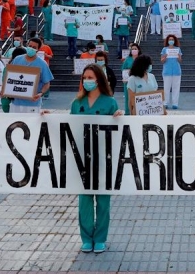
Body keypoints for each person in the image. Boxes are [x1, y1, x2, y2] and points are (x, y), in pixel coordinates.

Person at [70, 64, 123, 254]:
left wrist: (118, 117)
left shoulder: (110, 103)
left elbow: (118, 132)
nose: (87, 81)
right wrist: (46, 118)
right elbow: (68, 127)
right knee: (84, 201)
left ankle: (100, 238)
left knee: (102, 201)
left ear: (99, 79)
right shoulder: (76, 103)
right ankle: (86, 238)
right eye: (85, 78)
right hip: (83, 159)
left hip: (104, 158)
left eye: (91, 77)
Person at [8, 38, 54, 113]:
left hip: (33, 103)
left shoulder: (42, 64)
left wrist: (41, 93)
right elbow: (10, 76)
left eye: (34, 47)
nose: (31, 48)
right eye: (30, 46)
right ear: (27, 46)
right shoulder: (17, 59)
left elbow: (47, 83)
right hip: (16, 102)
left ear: (38, 49)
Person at [161, 35, 183, 109]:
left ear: (175, 41)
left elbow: (180, 61)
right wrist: (165, 57)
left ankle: (175, 103)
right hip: (167, 71)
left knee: (176, 88)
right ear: (167, 41)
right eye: (170, 39)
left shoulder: (178, 49)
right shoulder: (164, 49)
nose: (171, 41)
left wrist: (179, 57)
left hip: (176, 71)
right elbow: (162, 61)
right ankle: (165, 102)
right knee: (166, 88)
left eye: (172, 39)